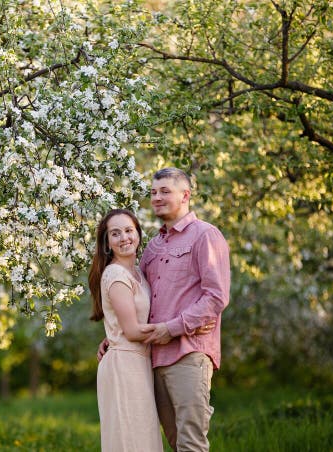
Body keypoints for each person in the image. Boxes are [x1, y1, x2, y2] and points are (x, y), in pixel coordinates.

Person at [98, 168, 230, 452]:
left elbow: (216, 297)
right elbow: (138, 302)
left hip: (188, 353)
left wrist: (172, 328)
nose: (157, 198)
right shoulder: (152, 248)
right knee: (171, 441)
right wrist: (114, 335)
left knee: (191, 443)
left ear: (185, 195)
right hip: (152, 359)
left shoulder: (205, 236)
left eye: (165, 191)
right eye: (153, 192)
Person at [88, 208, 163, 452]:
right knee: (130, 440)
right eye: (115, 233)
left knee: (144, 436)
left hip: (138, 362)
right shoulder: (117, 274)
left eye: (129, 230)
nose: (124, 238)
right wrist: (178, 328)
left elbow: (124, 320)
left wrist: (110, 336)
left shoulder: (138, 273)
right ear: (107, 243)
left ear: (138, 234)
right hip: (124, 366)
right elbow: (131, 331)